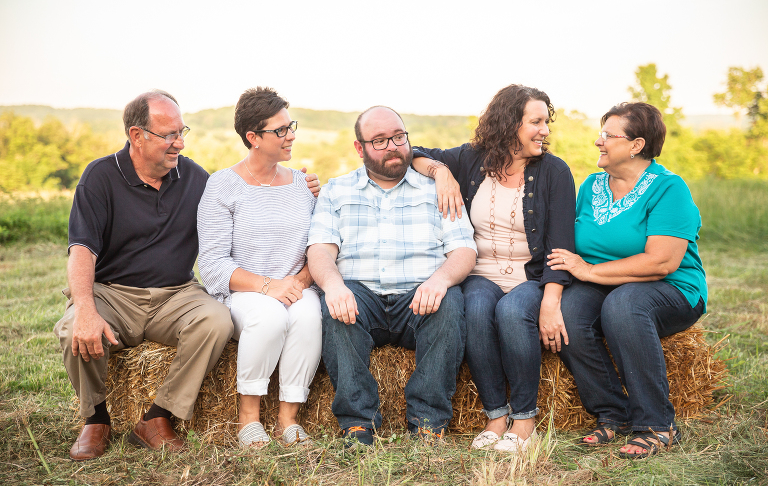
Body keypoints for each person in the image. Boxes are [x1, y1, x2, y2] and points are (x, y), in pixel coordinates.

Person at [54, 90, 321, 461]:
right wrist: (84, 305)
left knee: (216, 321)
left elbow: (248, 194)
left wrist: (303, 187)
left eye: (183, 132)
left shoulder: (196, 177)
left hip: (176, 292)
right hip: (113, 292)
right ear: (137, 135)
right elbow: (81, 249)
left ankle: (157, 418)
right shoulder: (100, 177)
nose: (180, 142)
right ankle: (95, 419)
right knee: (73, 329)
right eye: (169, 135)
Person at [410, 84, 576, 452]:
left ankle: (525, 419)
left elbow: (561, 246)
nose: (544, 130)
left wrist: (550, 303)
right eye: (535, 122)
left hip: (529, 276)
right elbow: (414, 153)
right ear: (508, 123)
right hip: (480, 272)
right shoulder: (472, 159)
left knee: (513, 311)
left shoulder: (555, 172)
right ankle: (496, 415)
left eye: (546, 122)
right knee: (478, 307)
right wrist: (441, 173)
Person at [307, 106, 478, 447]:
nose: (393, 147)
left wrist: (439, 280)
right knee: (334, 303)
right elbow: (320, 251)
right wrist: (333, 285)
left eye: (399, 137)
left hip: (420, 295)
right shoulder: (337, 190)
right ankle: (357, 423)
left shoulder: (437, 190)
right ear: (360, 148)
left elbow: (464, 250)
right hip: (362, 295)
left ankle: (428, 421)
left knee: (450, 303)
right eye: (380, 140)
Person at [547, 102, 707, 460]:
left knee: (624, 305)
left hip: (672, 289)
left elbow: (661, 262)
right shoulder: (590, 186)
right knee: (569, 312)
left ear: (636, 145)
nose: (598, 142)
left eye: (607, 135)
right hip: (606, 283)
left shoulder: (669, 189)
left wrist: (587, 271)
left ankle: (656, 425)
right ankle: (612, 412)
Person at [197, 87, 321, 448]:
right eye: (280, 130)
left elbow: (320, 244)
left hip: (297, 284)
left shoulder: (303, 184)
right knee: (269, 317)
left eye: (290, 126)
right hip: (245, 291)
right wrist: (270, 287)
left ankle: (289, 419)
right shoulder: (222, 185)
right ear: (252, 137)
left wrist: (298, 281)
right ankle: (248, 419)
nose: (291, 135)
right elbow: (213, 263)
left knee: (309, 315)